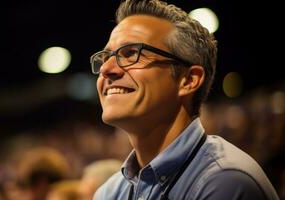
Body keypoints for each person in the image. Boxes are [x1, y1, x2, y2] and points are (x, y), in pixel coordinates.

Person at [89, 0, 280, 199]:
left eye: (131, 54)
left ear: (188, 80)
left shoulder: (226, 182)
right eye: (106, 57)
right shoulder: (108, 192)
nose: (106, 69)